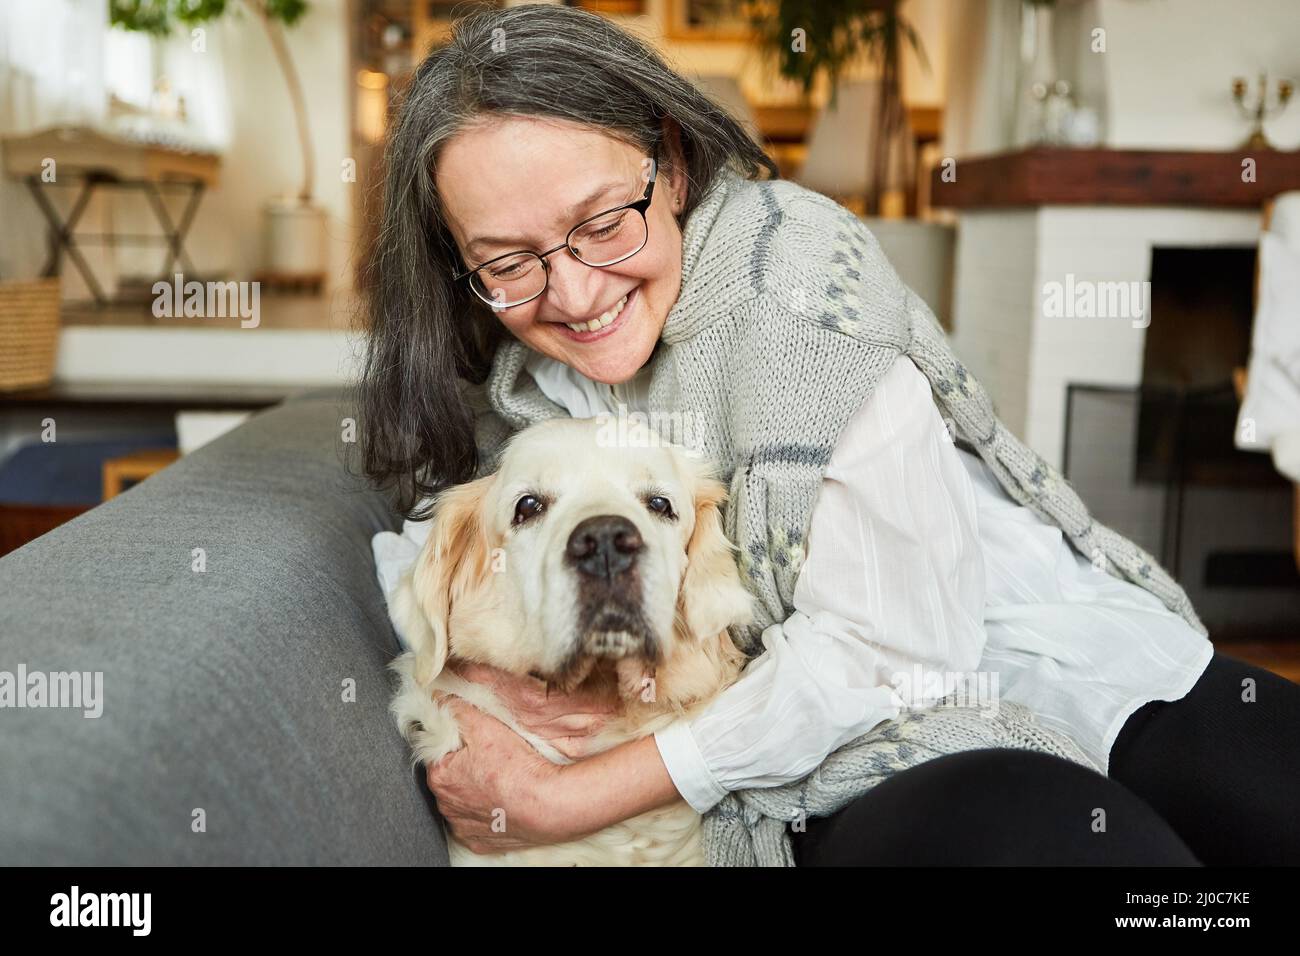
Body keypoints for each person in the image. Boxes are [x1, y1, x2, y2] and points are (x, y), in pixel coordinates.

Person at [358, 3, 1300, 866]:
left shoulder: (797, 290)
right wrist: (467, 699)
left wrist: (565, 796)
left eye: (603, 222)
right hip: (852, 764)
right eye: (510, 258)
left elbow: (893, 651)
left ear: (673, 162)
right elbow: (438, 552)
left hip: (1031, 646)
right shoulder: (522, 386)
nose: (572, 291)